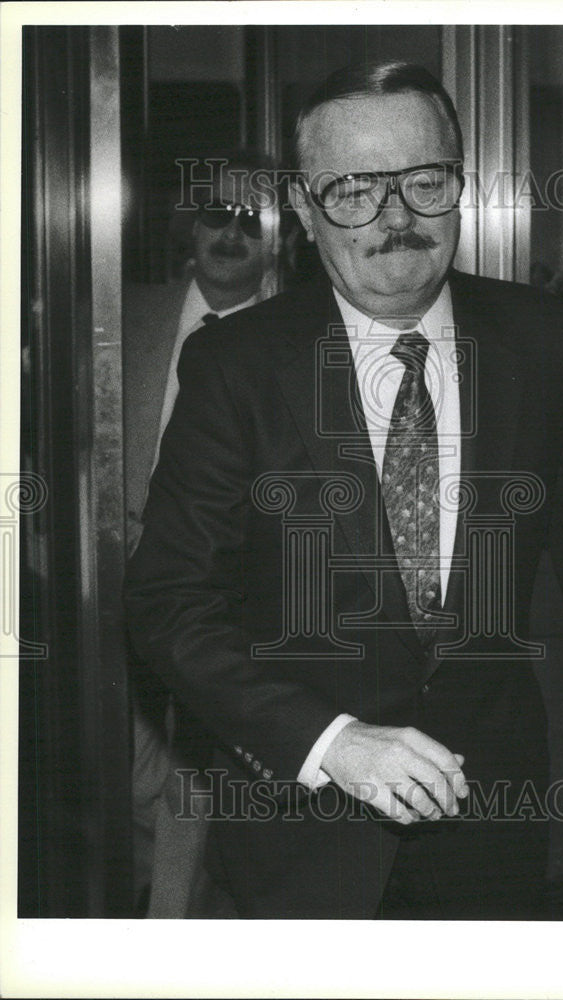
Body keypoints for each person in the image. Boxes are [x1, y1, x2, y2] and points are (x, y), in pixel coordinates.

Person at [125, 61, 563, 920]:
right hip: (299, 827)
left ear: (459, 189)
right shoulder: (237, 364)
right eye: (353, 189)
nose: (396, 217)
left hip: (490, 817)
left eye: (424, 180)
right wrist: (330, 742)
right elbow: (168, 601)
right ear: (308, 216)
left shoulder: (540, 342)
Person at [123, 149, 281, 916]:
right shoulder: (124, 315)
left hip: (225, 592)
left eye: (252, 221)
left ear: (279, 240)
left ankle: (168, 928)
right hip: (111, 571)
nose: (230, 233)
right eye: (216, 213)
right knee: (118, 758)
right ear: (190, 226)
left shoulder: (296, 336)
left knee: (193, 761)